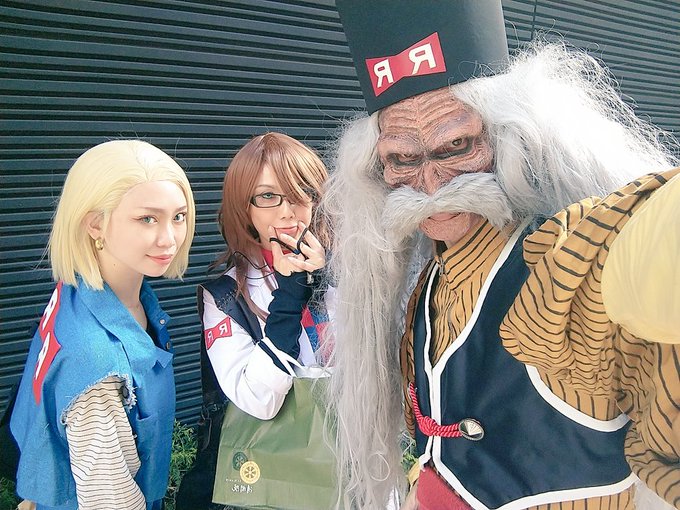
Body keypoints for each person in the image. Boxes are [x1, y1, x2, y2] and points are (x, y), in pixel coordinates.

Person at [325, 1, 680, 509]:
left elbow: (649, 245)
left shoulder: (558, 265)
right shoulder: (427, 286)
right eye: (402, 158)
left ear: (507, 139)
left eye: (455, 147)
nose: (431, 186)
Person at [9, 139, 196, 510]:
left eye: (178, 216)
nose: (169, 238)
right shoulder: (99, 364)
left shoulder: (75, 292)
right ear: (95, 224)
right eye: (147, 219)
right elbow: (112, 501)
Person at [176, 132, 334, 510]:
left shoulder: (348, 273)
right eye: (267, 197)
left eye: (301, 192)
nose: (287, 211)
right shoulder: (225, 296)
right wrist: (291, 294)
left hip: (347, 465)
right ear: (243, 207)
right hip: (270, 480)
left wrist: (324, 277)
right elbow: (258, 400)